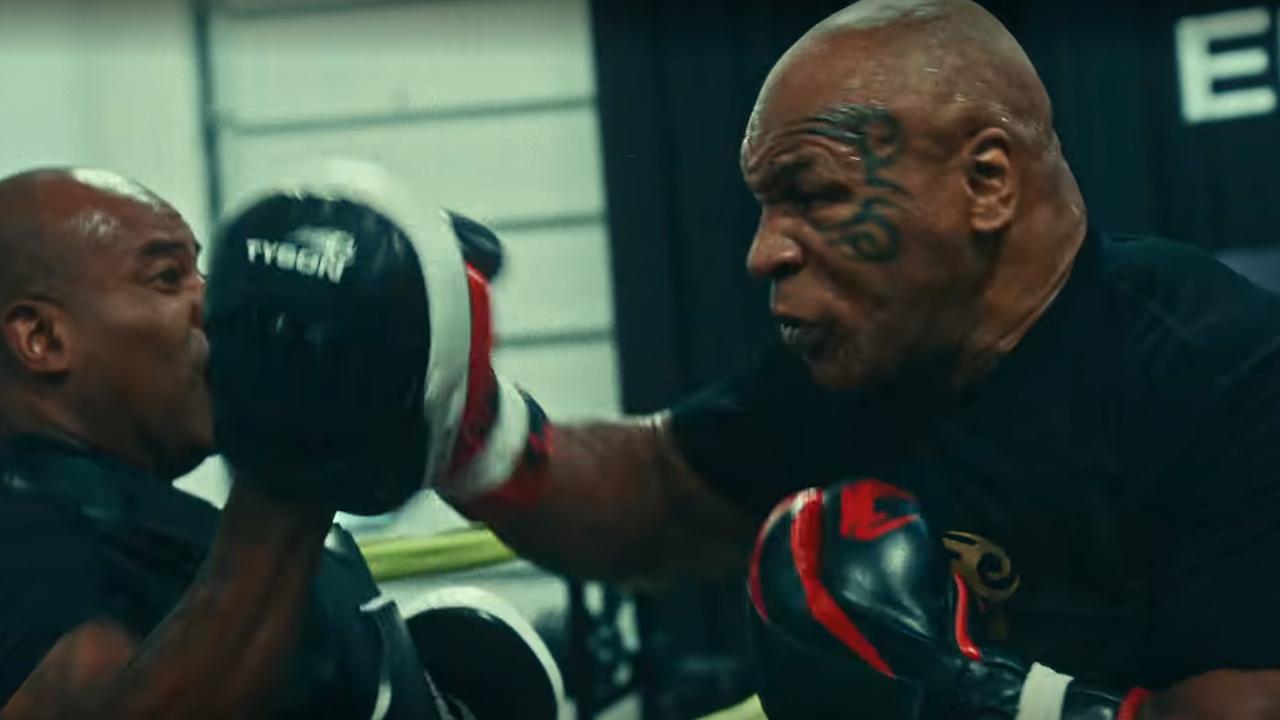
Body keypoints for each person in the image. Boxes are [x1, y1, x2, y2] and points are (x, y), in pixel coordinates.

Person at [411, 0, 1280, 717]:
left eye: (815, 196)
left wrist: (971, 699)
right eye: (765, 207)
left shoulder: (1221, 371)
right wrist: (467, 423)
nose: (763, 254)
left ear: (986, 183)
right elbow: (662, 492)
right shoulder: (876, 362)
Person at [0, 168, 560, 719]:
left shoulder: (133, 531)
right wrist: (296, 465)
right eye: (167, 278)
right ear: (42, 339)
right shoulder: (24, 543)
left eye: (201, 273)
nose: (213, 308)